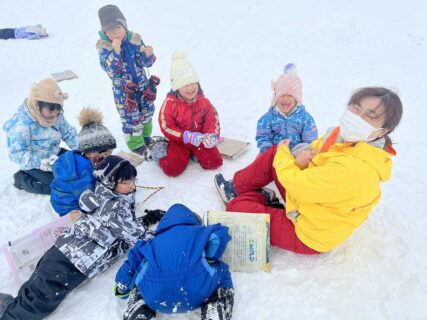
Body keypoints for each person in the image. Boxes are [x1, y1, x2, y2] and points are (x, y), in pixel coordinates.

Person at [215, 87, 403, 254]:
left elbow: (298, 186)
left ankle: (260, 201)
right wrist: (300, 157)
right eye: (355, 107)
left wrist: (284, 155)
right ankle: (236, 188)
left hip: (308, 231)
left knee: (237, 208)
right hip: (310, 200)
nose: (357, 117)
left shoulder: (355, 170)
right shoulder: (342, 135)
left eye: (369, 116)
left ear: (381, 132)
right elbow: (313, 148)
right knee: (275, 155)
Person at [0, 155, 164, 320]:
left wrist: (146, 219)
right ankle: (10, 315)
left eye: (133, 180)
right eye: (126, 182)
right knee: (38, 302)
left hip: (61, 251)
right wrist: (170, 229)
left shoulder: (101, 195)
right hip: (74, 263)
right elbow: (139, 237)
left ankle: (9, 306)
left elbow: (122, 227)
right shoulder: (114, 208)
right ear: (109, 182)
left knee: (37, 287)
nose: (133, 185)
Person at [115, 203, 234, 320]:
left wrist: (123, 288)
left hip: (155, 297)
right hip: (198, 291)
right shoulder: (200, 231)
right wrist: (209, 257)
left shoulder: (151, 242)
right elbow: (220, 235)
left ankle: (139, 307)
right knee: (223, 271)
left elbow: (132, 262)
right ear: (193, 220)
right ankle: (217, 304)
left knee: (140, 281)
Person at [97, 4, 159, 156]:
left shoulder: (135, 40)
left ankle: (145, 136)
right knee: (131, 117)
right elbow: (112, 70)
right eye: (110, 30)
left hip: (143, 86)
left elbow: (146, 63)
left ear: (124, 26)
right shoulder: (104, 48)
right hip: (124, 92)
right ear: (105, 32)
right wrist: (115, 52)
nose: (115, 33)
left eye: (118, 28)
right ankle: (135, 143)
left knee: (146, 111)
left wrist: (148, 55)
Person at [3, 78, 78, 195]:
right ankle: (22, 180)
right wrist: (39, 162)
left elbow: (68, 133)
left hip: (54, 154)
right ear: (38, 105)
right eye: (50, 114)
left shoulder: (56, 114)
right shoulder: (21, 124)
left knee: (80, 168)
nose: (53, 117)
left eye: (56, 114)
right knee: (59, 186)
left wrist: (83, 149)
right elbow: (17, 153)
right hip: (35, 164)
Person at [155, 51, 222, 177]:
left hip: (200, 139)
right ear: (177, 87)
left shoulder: (204, 102)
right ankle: (159, 152)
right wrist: (185, 136)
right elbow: (166, 126)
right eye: (184, 85)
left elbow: (212, 120)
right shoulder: (169, 104)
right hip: (180, 141)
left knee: (215, 163)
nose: (190, 88)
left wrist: (212, 135)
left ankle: (193, 154)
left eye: (193, 83)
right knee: (173, 170)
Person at [50, 107, 117, 216]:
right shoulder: (83, 172)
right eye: (105, 154)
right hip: (70, 207)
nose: (107, 158)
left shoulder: (91, 160)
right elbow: (89, 197)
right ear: (89, 152)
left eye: (110, 154)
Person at [256, 63, 318, 153]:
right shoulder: (268, 119)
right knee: (260, 162)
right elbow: (263, 137)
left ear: (296, 99)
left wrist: (303, 153)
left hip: (296, 156)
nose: (285, 99)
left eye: (290, 95)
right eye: (282, 95)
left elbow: (310, 140)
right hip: (275, 155)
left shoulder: (305, 119)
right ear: (275, 98)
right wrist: (269, 151)